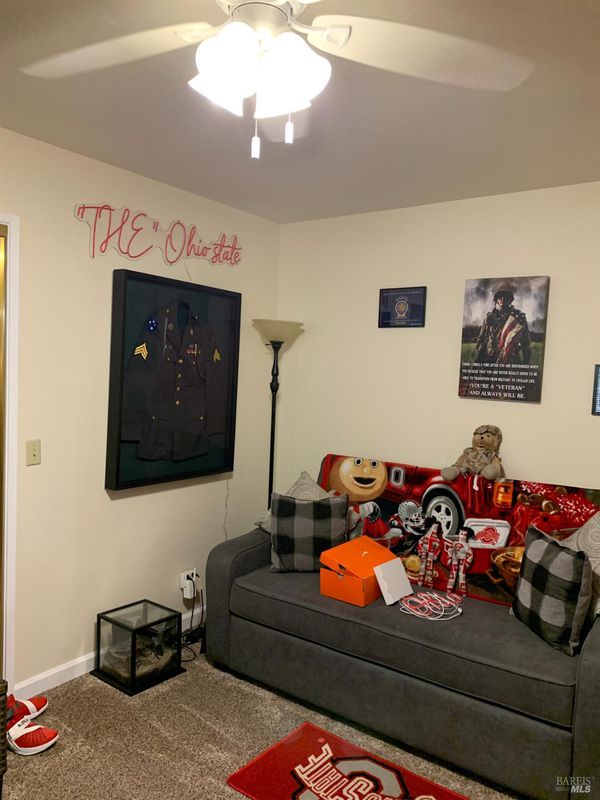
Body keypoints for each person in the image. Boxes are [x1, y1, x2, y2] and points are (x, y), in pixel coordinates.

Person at [474, 289, 531, 364]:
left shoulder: (518, 318)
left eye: (506, 297)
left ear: (510, 300)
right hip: (491, 358)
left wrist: (526, 363)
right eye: (500, 297)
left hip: (510, 358)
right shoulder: (489, 317)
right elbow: (482, 340)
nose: (503, 299)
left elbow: (526, 343)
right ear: (496, 300)